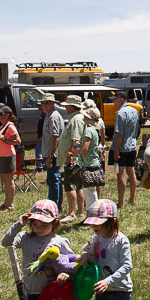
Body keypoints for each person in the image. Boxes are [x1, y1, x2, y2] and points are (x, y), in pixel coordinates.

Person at [2, 199, 74, 300]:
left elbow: (70, 263)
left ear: (54, 223)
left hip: (51, 292)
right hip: (30, 292)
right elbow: (6, 242)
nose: (39, 228)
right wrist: (18, 224)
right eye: (35, 224)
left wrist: (66, 274)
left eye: (44, 225)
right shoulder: (25, 238)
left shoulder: (59, 241)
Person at [79, 199, 132, 300]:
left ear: (112, 221)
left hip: (121, 291)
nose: (93, 226)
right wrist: (86, 257)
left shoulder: (121, 240)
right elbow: (94, 257)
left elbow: (127, 265)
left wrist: (108, 281)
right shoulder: (96, 238)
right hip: (102, 291)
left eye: (98, 223)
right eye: (92, 223)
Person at [58, 95, 87, 223]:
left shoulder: (75, 120)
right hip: (77, 157)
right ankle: (80, 211)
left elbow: (75, 140)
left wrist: (70, 155)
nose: (65, 108)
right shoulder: (78, 118)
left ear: (72, 107)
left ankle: (72, 212)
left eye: (67, 106)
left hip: (73, 158)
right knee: (79, 184)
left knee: (69, 185)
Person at [111, 91, 140, 208]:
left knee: (121, 174)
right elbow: (138, 129)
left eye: (115, 99)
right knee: (131, 172)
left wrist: (116, 150)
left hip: (122, 148)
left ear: (122, 99)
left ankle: (121, 202)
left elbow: (119, 134)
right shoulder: (134, 111)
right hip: (132, 146)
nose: (113, 101)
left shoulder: (120, 113)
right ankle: (132, 198)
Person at [77, 102, 105, 224]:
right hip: (93, 163)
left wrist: (74, 149)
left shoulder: (88, 130)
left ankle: (92, 216)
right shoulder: (94, 130)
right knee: (90, 192)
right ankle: (91, 216)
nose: (83, 118)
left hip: (88, 164)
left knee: (89, 193)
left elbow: (84, 149)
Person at [39, 93, 65, 208]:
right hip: (51, 152)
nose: (44, 105)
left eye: (46, 103)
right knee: (54, 179)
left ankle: (54, 206)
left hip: (53, 154)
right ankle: (57, 204)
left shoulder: (53, 117)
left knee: (53, 179)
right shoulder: (48, 115)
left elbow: (55, 137)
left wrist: (50, 156)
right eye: (43, 103)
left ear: (52, 104)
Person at [0, 105, 21, 212]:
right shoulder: (3, 126)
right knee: (5, 181)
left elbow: (18, 141)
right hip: (2, 156)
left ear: (8, 115)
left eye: (1, 114)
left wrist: (5, 140)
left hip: (8, 156)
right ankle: (6, 202)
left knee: (9, 181)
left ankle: (10, 205)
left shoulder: (10, 126)